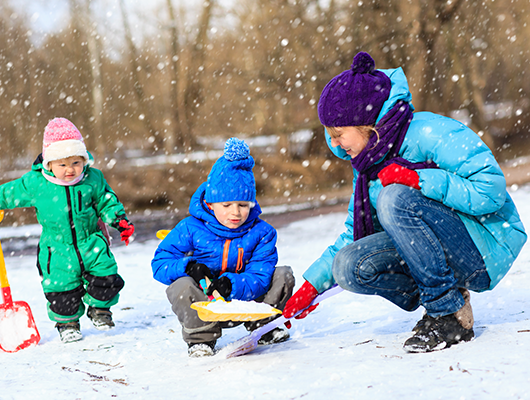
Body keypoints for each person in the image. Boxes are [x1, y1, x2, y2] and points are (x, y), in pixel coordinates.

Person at [282, 52, 527, 353]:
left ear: (365, 124)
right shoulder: (369, 165)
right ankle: (443, 298)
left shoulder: (428, 131)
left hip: (485, 246)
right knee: (348, 265)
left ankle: (447, 315)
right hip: (440, 253)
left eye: (338, 134)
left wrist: (419, 180)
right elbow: (352, 234)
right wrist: (311, 286)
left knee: (394, 197)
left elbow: (491, 192)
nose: (334, 144)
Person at [0, 118, 134, 343]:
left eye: (76, 162)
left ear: (84, 160)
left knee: (107, 277)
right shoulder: (37, 183)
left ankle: (100, 310)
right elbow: (12, 191)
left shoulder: (93, 178)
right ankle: (67, 323)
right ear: (49, 164)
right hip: (56, 248)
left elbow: (106, 200)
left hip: (91, 241)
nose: (70, 170)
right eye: (62, 164)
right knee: (61, 289)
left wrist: (120, 222)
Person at [152, 138, 295, 357]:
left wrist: (232, 284)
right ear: (210, 203)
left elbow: (261, 273)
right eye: (226, 205)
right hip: (206, 303)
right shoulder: (190, 228)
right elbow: (160, 263)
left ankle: (264, 326)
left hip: (245, 301)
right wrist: (188, 266)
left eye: (243, 205)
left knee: (282, 275)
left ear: (252, 204)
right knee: (180, 285)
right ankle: (201, 339)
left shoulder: (262, 232)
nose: (235, 212)